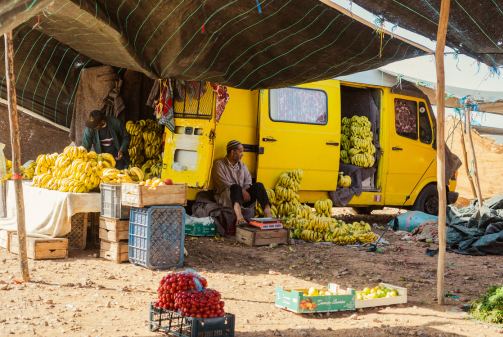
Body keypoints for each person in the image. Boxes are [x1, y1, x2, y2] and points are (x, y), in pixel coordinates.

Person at [212, 140, 272, 225]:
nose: (242, 154)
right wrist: (241, 191)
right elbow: (224, 184)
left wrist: (243, 191)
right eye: (240, 152)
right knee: (236, 187)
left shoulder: (243, 165)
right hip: (227, 198)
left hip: (243, 199)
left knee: (259, 186)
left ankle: (268, 214)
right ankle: (239, 217)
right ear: (233, 152)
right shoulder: (219, 164)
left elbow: (248, 182)